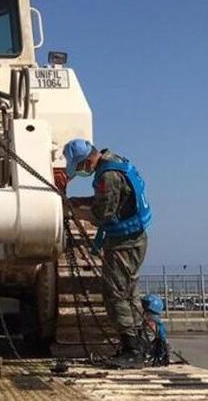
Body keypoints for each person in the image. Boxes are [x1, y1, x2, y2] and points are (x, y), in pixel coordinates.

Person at [63, 138, 152, 369]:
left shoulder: (108, 176)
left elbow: (102, 215)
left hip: (125, 242)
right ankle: (140, 344)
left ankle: (132, 350)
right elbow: (109, 200)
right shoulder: (115, 163)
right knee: (129, 292)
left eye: (79, 167)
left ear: (86, 161)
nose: (81, 172)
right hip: (133, 239)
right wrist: (80, 201)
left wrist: (73, 212)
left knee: (116, 294)